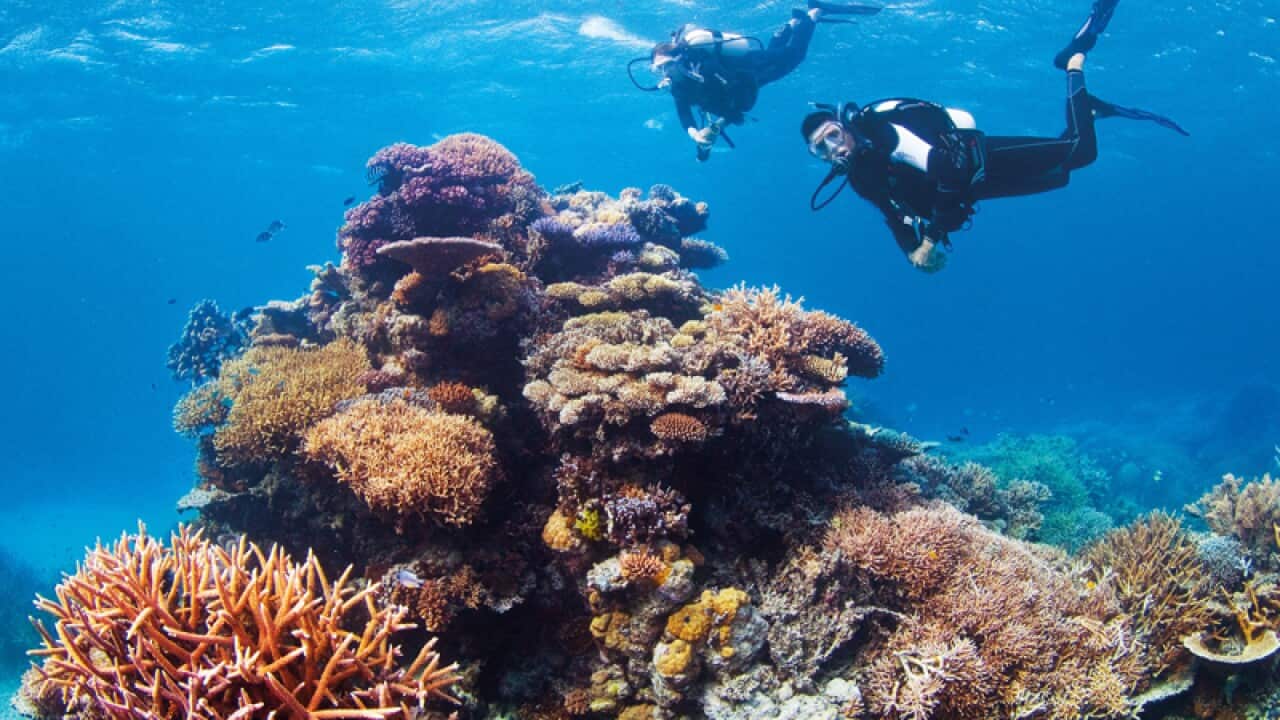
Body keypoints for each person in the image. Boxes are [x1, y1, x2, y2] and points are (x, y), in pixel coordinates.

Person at [800, 0, 1187, 272]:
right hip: (974, 190)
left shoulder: (884, 134)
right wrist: (911, 250)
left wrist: (931, 240)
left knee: (1081, 152)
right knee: (1062, 174)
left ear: (845, 125)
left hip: (980, 159)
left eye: (833, 135)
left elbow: (949, 171)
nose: (833, 148)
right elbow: (892, 215)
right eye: (821, 148)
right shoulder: (858, 177)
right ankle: (1086, 109)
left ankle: (1073, 64)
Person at [631, 1, 883, 161]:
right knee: (786, 59)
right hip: (748, 81)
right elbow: (684, 113)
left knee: (793, 56)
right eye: (658, 70)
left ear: (679, 58)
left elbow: (733, 97)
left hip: (750, 69)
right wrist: (696, 135)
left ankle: (812, 14)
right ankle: (792, 23)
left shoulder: (703, 68)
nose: (664, 75)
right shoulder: (680, 86)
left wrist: (719, 123)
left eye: (665, 66)